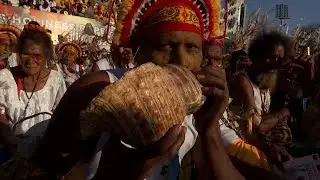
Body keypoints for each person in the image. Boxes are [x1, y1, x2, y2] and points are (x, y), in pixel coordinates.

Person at [29, 0, 245, 179]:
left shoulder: (199, 107)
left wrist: (209, 130)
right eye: (164, 46)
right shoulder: (95, 89)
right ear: (138, 53)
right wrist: (139, 161)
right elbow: (45, 170)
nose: (180, 60)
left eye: (191, 47)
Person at [0, 22, 66, 163]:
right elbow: (1, 116)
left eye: (37, 55)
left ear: (46, 56)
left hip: (43, 153)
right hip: (11, 152)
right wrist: (11, 142)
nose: (31, 61)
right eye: (25, 54)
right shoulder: (5, 77)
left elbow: (61, 117)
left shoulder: (56, 80)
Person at [230, 31, 293, 151]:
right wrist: (282, 114)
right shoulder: (243, 80)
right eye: (271, 57)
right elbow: (257, 125)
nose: (275, 64)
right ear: (258, 55)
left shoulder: (265, 83)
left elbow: (265, 116)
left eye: (279, 59)